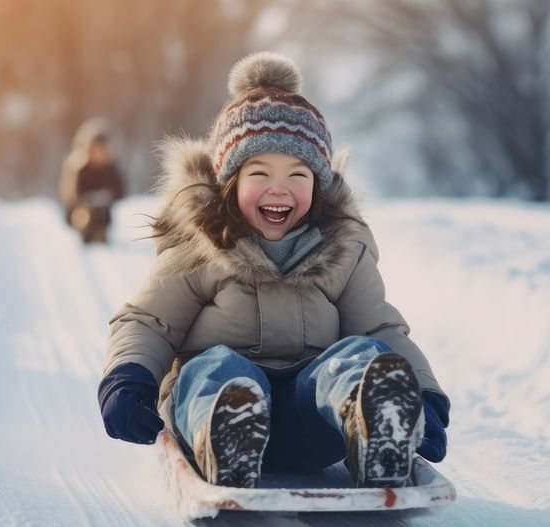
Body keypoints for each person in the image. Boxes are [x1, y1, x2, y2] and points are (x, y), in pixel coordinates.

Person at [97, 52, 450, 489]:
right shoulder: (200, 247)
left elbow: (380, 326)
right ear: (230, 182)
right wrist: (128, 378)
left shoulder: (342, 249)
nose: (279, 189)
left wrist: (424, 393)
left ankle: (380, 423)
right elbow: (149, 321)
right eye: (260, 173)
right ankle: (229, 433)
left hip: (309, 420)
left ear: (318, 185)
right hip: (214, 409)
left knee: (361, 354)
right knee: (214, 367)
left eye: (298, 175)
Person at [59, 118, 126, 244]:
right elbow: (73, 196)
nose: (99, 155)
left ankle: (101, 232)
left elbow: (120, 192)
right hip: (83, 212)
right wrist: (90, 199)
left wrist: (107, 196)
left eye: (102, 150)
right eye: (96, 150)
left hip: (104, 213)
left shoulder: (111, 170)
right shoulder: (80, 169)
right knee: (84, 214)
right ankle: (85, 233)